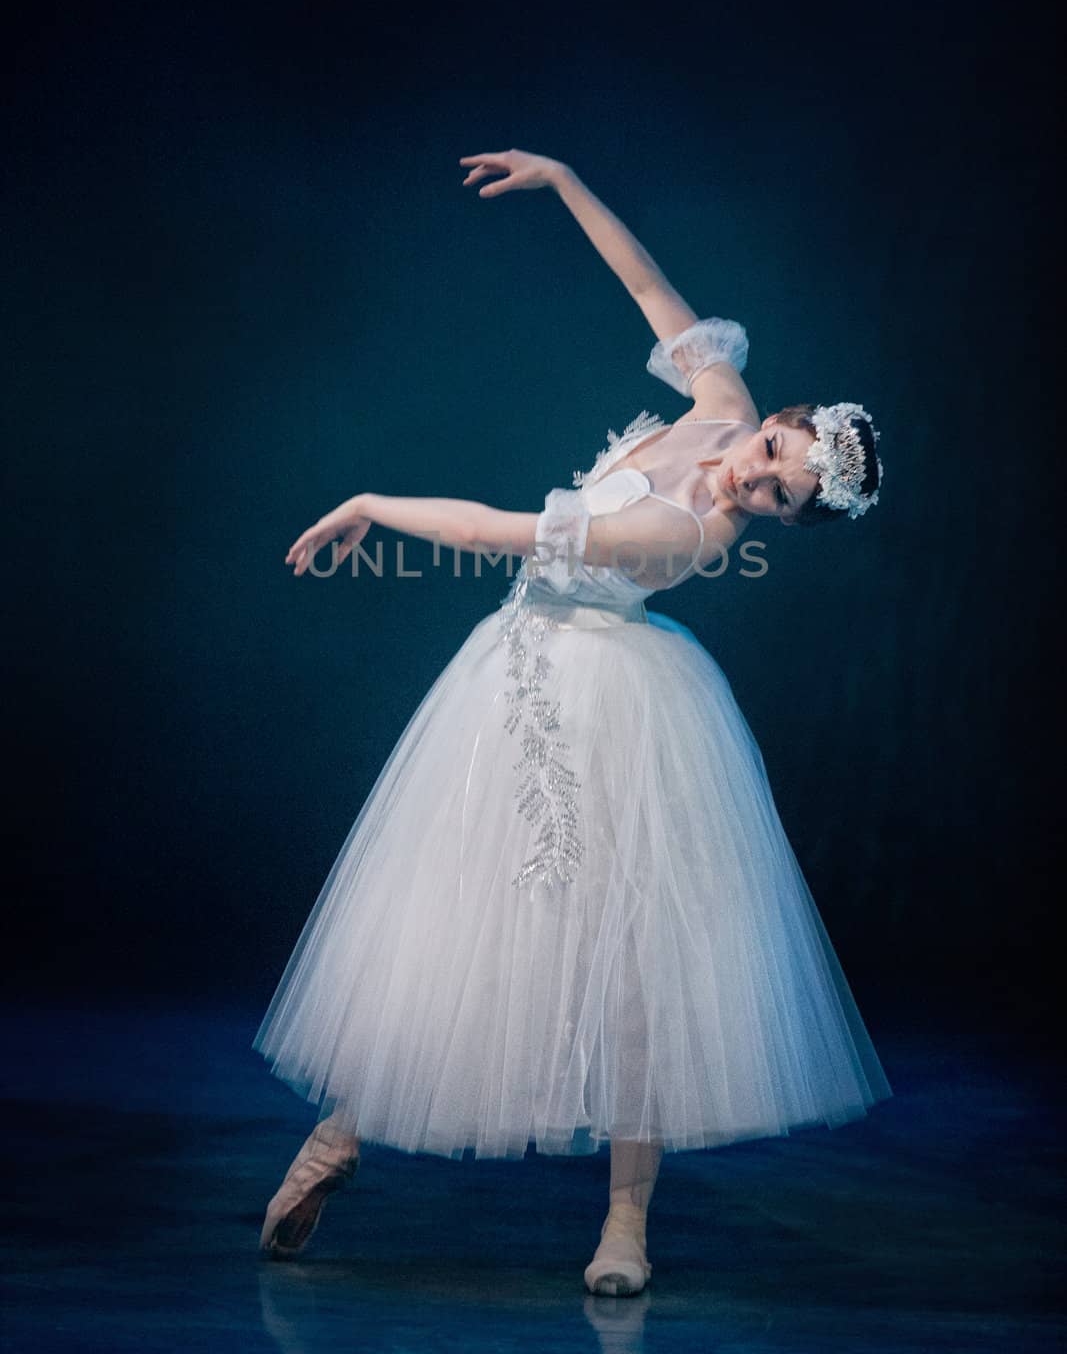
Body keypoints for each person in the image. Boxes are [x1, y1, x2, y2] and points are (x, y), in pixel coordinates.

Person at [254, 149, 891, 1295]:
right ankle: (342, 1130)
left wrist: (365, 502)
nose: (754, 484)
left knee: (635, 960)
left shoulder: (677, 542)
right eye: (766, 460)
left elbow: (501, 530)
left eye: (779, 499)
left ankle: (625, 1225)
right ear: (768, 424)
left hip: (619, 708)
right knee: (462, 917)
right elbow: (649, 287)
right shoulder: (721, 404)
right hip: (517, 678)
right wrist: (564, 181)